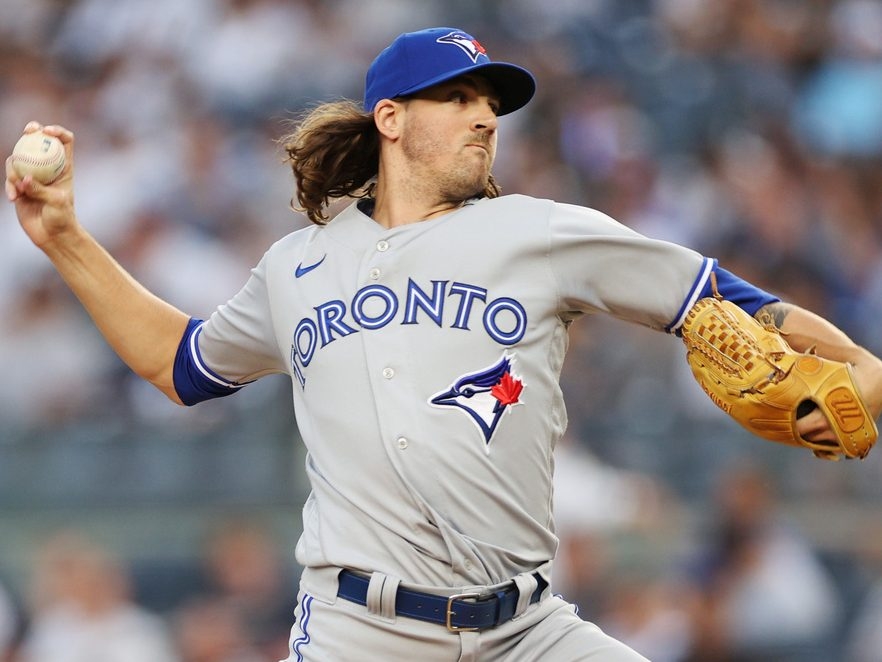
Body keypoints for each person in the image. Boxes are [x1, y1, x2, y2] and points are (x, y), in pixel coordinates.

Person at [6, 26, 882, 662]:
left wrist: (865, 368)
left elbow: (727, 300)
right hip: (360, 632)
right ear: (390, 118)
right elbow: (180, 365)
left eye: (491, 102)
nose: (484, 117)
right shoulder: (296, 266)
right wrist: (66, 239)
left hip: (528, 631)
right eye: (457, 97)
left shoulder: (540, 233)